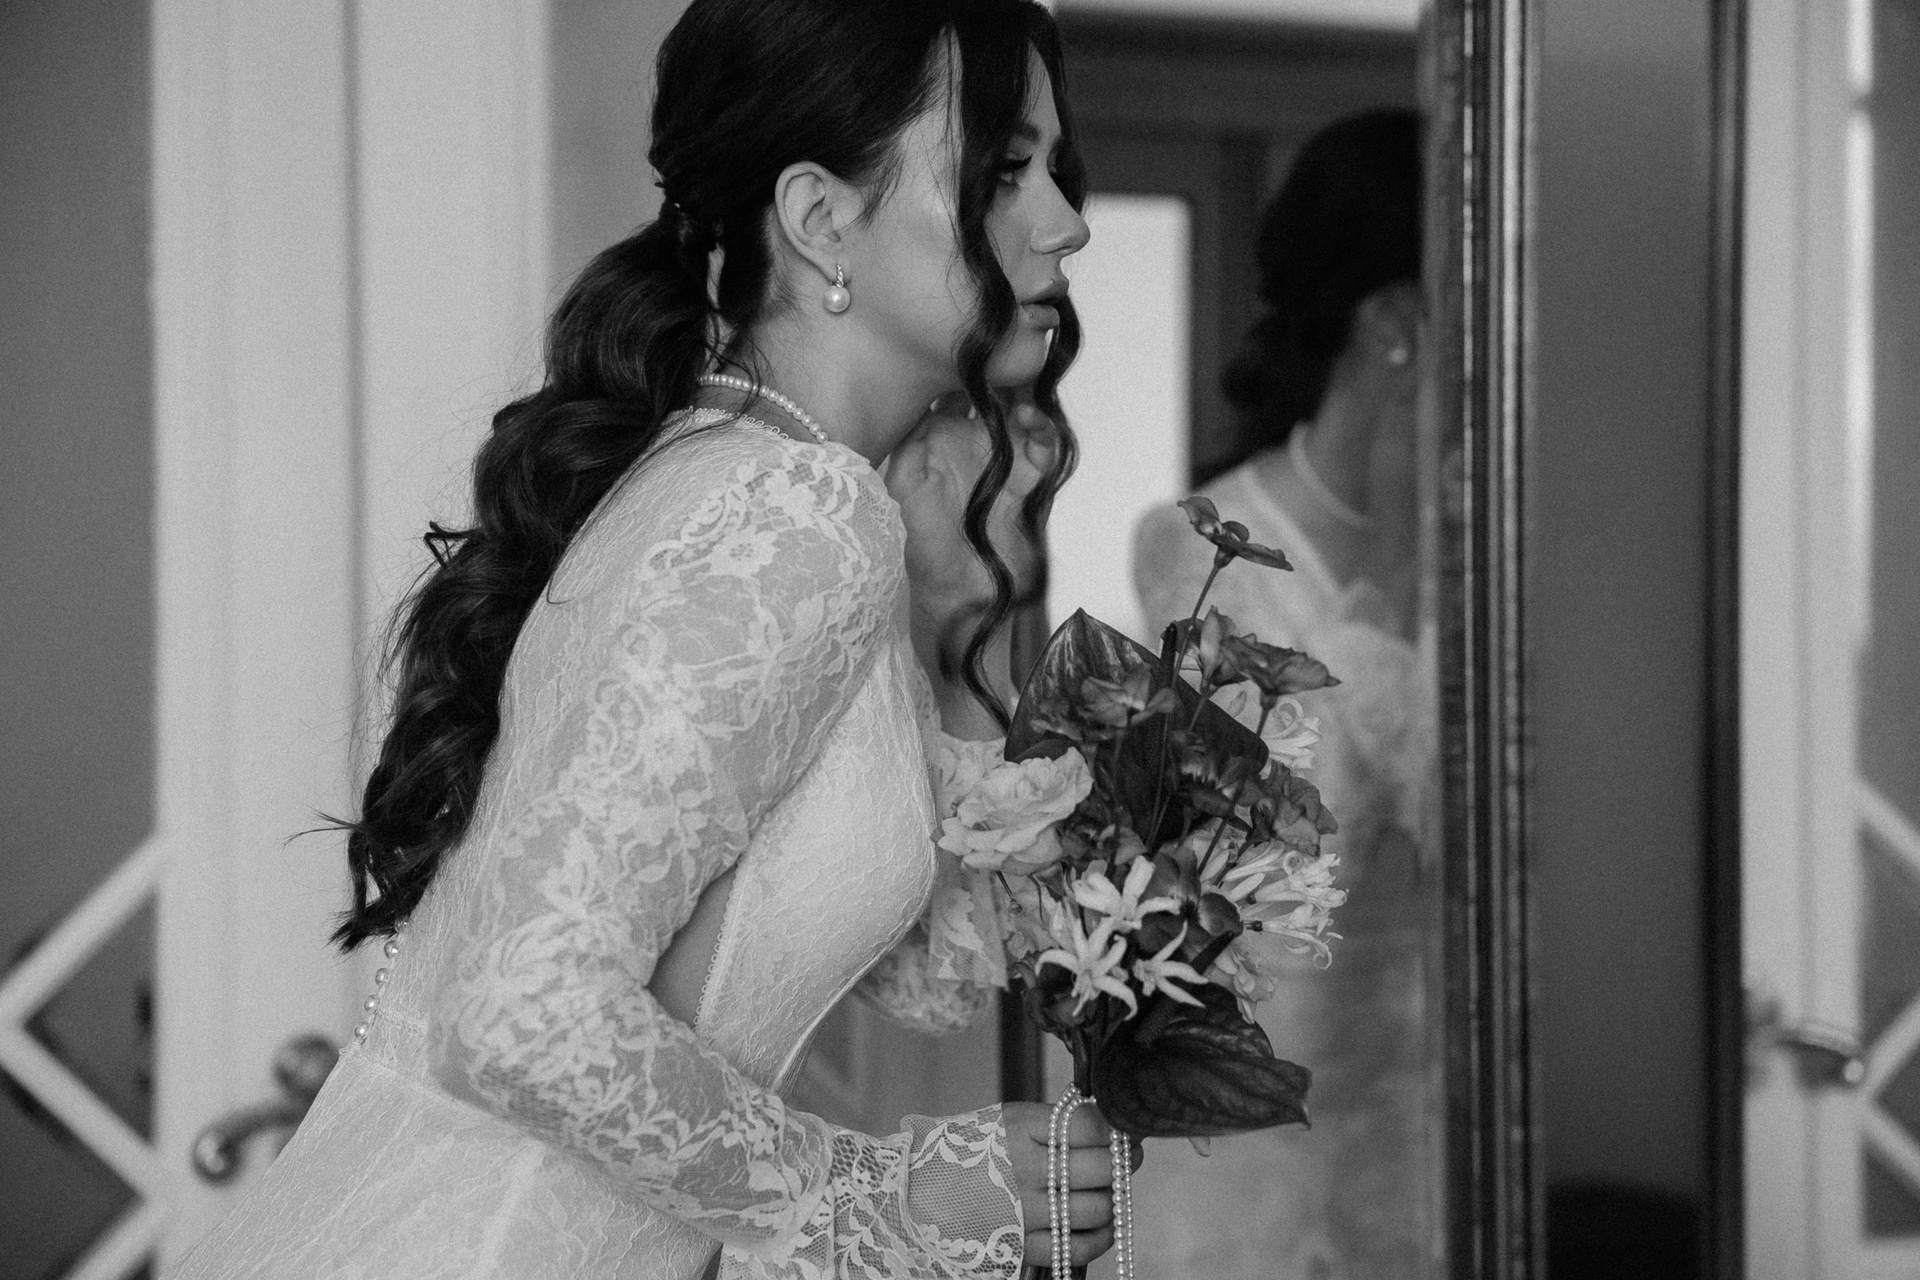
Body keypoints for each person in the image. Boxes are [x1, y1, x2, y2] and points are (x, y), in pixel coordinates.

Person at [176, 2, 1133, 1276]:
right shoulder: (792, 511)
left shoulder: (742, 476)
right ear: (819, 218)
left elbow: (910, 964)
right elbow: (522, 1006)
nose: (1065, 221)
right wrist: (883, 1192)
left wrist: (967, 616)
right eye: (1006, 170)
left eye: (1056, 171)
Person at [1131, 108, 1435, 1278]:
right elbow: (1282, 872)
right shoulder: (1205, 554)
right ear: (1395, 320)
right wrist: (1400, 573)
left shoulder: (1489, 546)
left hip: (1426, 1140)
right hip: (1256, 1157)